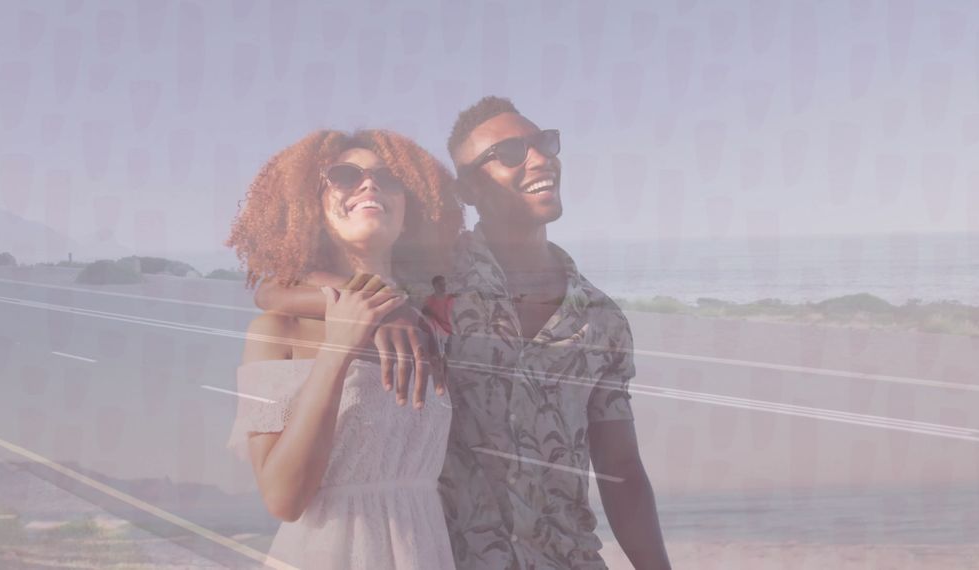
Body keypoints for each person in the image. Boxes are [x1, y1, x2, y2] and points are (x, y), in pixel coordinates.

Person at [254, 97, 672, 569]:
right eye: (510, 153)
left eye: (543, 143)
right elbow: (275, 288)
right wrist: (381, 306)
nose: (539, 158)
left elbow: (623, 471)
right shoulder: (432, 280)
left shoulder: (603, 318)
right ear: (468, 189)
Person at [224, 129, 463, 569]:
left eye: (388, 178)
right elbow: (282, 499)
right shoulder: (278, 330)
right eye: (344, 176)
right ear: (309, 208)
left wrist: (389, 309)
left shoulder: (431, 326)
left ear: (410, 209)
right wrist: (339, 348)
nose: (369, 185)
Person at [422, 275, 456, 356]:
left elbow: (453, 314)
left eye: (444, 284)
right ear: (434, 286)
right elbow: (425, 315)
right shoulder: (430, 300)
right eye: (440, 285)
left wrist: (456, 328)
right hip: (435, 333)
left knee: (447, 357)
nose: (443, 287)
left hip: (447, 331)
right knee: (434, 356)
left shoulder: (450, 299)